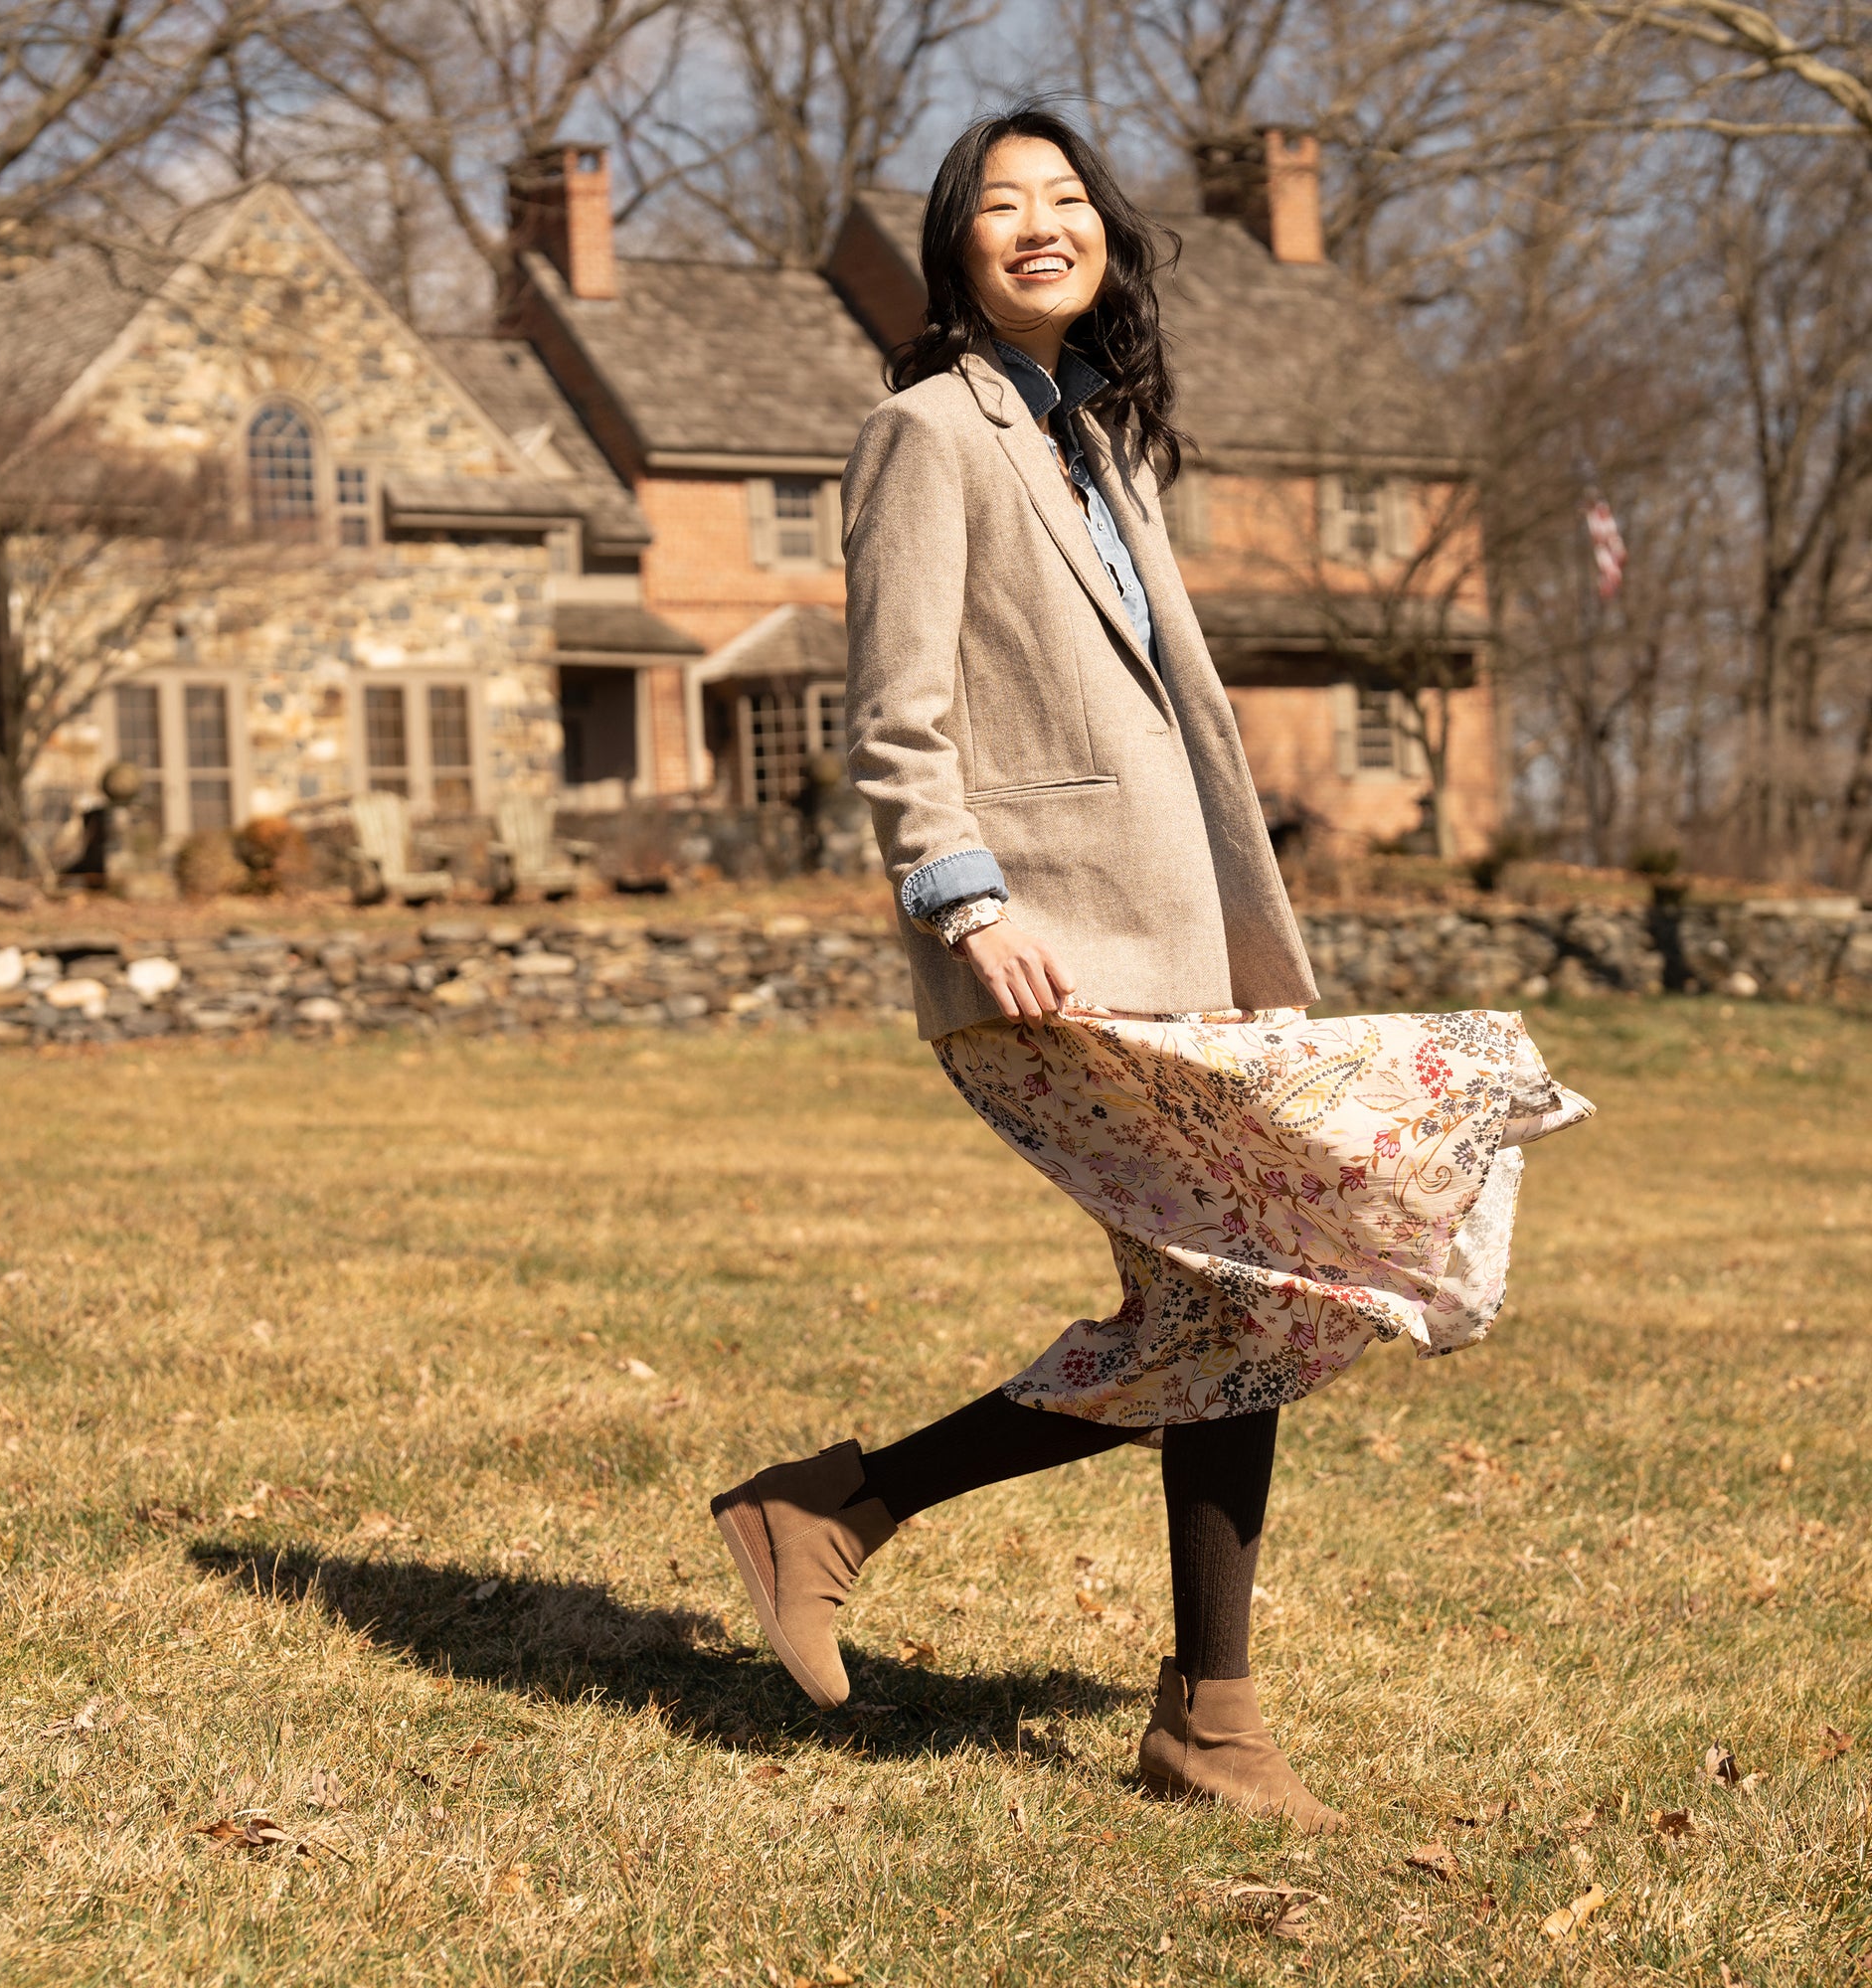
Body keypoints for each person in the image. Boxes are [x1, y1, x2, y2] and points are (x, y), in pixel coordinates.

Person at [709, 105, 1589, 1834]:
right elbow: (897, 719)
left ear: (1106, 233)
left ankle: (1175, 1700)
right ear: (955, 246)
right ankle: (862, 1525)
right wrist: (968, 905)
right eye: (1002, 207)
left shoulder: (1095, 441)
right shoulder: (925, 436)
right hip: (1050, 955)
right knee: (1246, 1294)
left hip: (1187, 940)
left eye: (1068, 202)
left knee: (1235, 1304)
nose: (1041, 226)